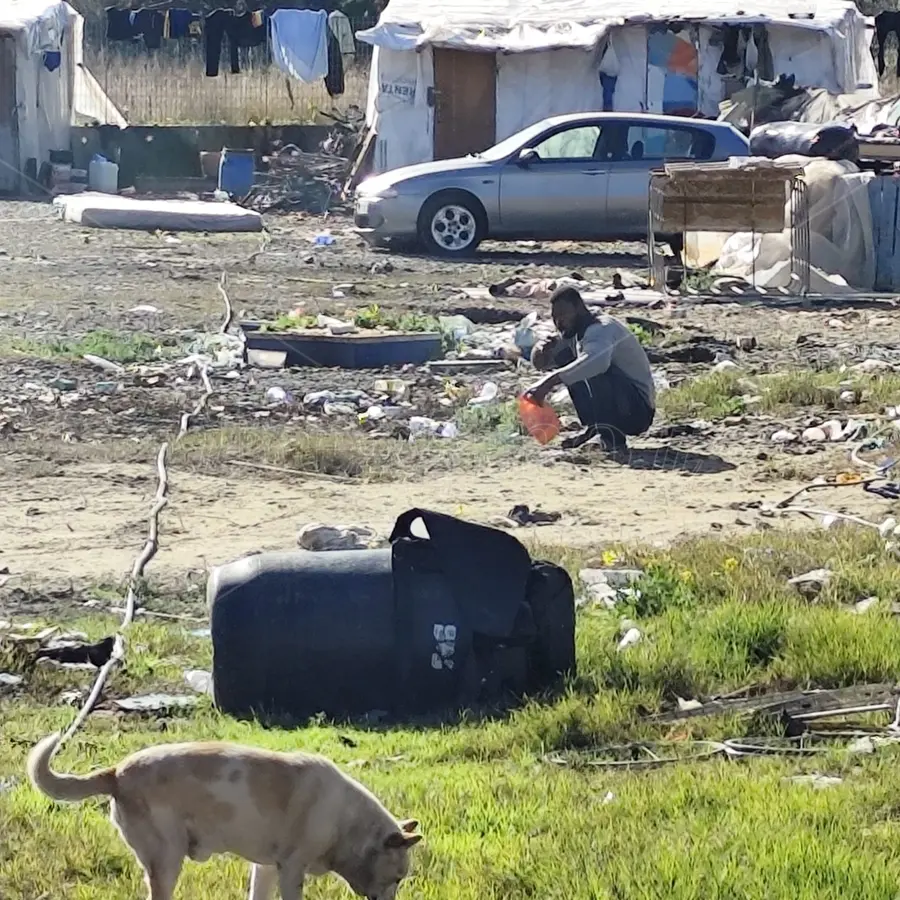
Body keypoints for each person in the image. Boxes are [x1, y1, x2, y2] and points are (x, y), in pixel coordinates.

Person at [525, 286, 655, 452]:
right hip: (622, 405)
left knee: (593, 367)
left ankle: (610, 437)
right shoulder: (574, 330)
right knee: (566, 359)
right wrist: (542, 349)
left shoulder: (601, 329)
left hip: (637, 411)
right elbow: (541, 363)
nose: (559, 322)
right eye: (555, 317)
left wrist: (549, 383)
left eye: (563, 314)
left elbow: (596, 363)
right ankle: (594, 428)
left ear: (579, 308)